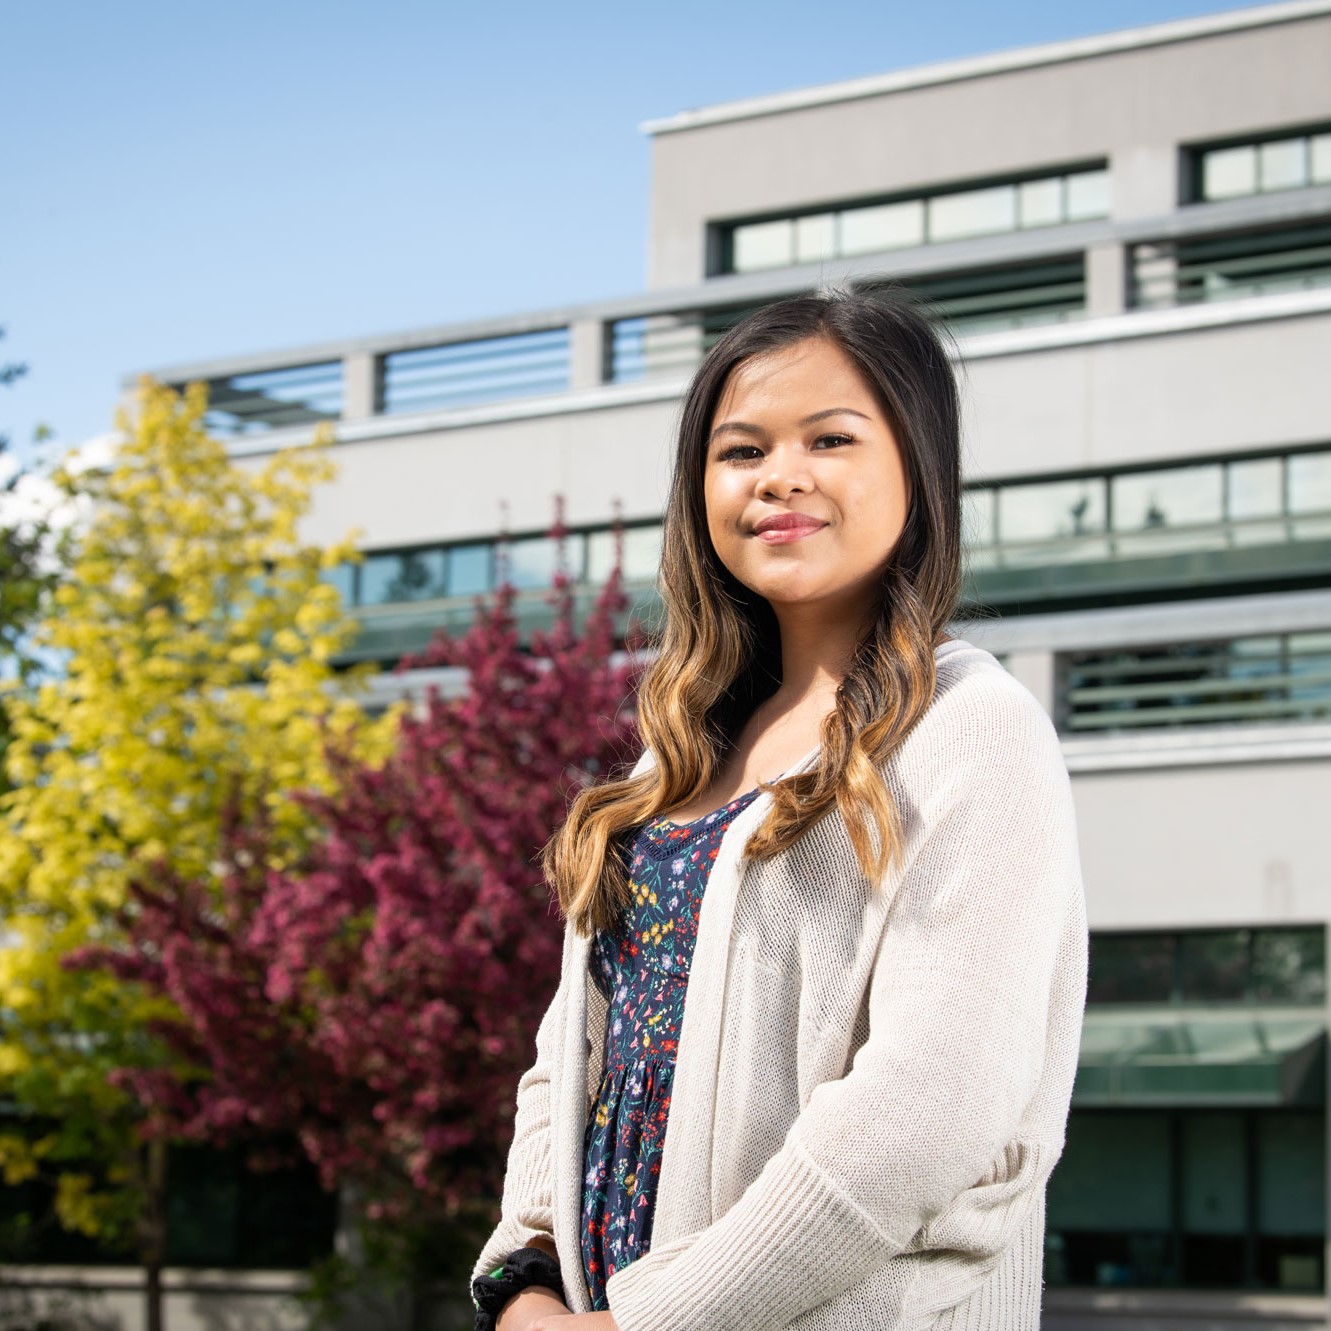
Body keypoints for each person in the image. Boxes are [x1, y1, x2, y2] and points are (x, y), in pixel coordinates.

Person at [470, 290, 1087, 1331]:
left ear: (916, 468)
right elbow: (566, 1063)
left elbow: (927, 1107)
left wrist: (652, 1320)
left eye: (830, 437)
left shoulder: (972, 728)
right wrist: (522, 1276)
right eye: (739, 449)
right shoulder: (675, 759)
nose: (778, 476)